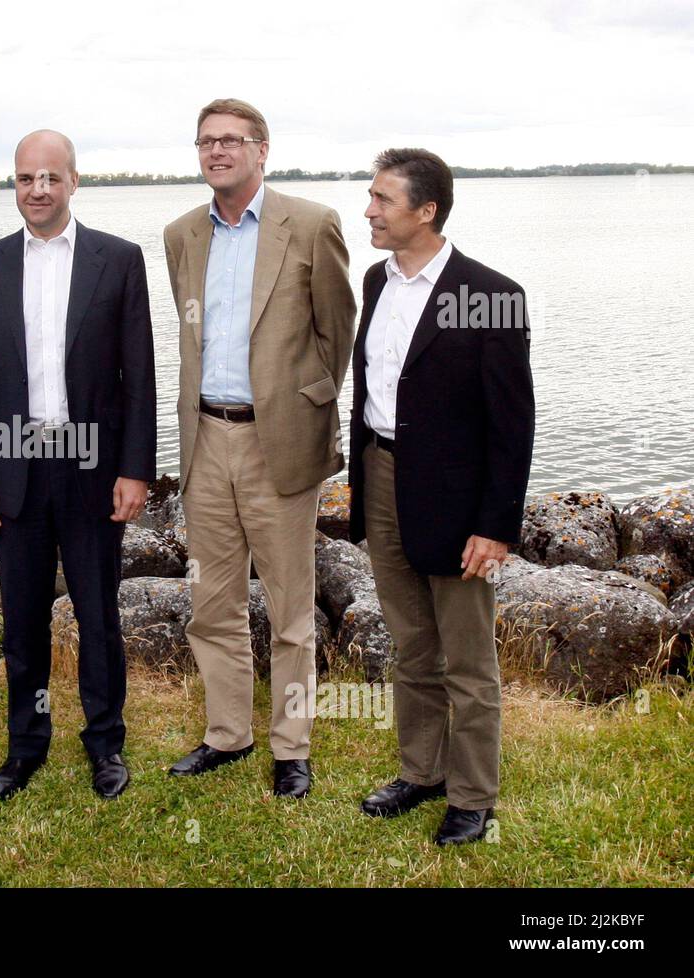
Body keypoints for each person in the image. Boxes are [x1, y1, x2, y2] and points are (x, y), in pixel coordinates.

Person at [0, 129, 156, 800]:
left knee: (98, 614)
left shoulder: (118, 259)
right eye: (24, 179)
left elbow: (140, 376)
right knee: (22, 618)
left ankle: (106, 745)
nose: (37, 190)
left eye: (50, 177)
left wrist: (136, 469)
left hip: (93, 464)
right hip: (15, 464)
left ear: (74, 182)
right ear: (14, 185)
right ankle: (25, 746)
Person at [163, 98, 355, 796]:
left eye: (232, 141)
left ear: (261, 150)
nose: (218, 152)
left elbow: (338, 333)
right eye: (206, 141)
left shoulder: (310, 225)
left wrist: (304, 406)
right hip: (205, 438)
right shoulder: (181, 234)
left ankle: (292, 747)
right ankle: (228, 735)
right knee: (212, 603)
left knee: (292, 611)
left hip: (280, 442)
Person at [350, 147, 534, 845]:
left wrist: (496, 526)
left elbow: (512, 425)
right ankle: (421, 771)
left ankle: (472, 794)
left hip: (458, 502)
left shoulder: (490, 293)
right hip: (381, 479)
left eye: (382, 200)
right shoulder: (375, 280)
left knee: (467, 657)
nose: (369, 210)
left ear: (426, 211)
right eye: (371, 197)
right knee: (411, 646)